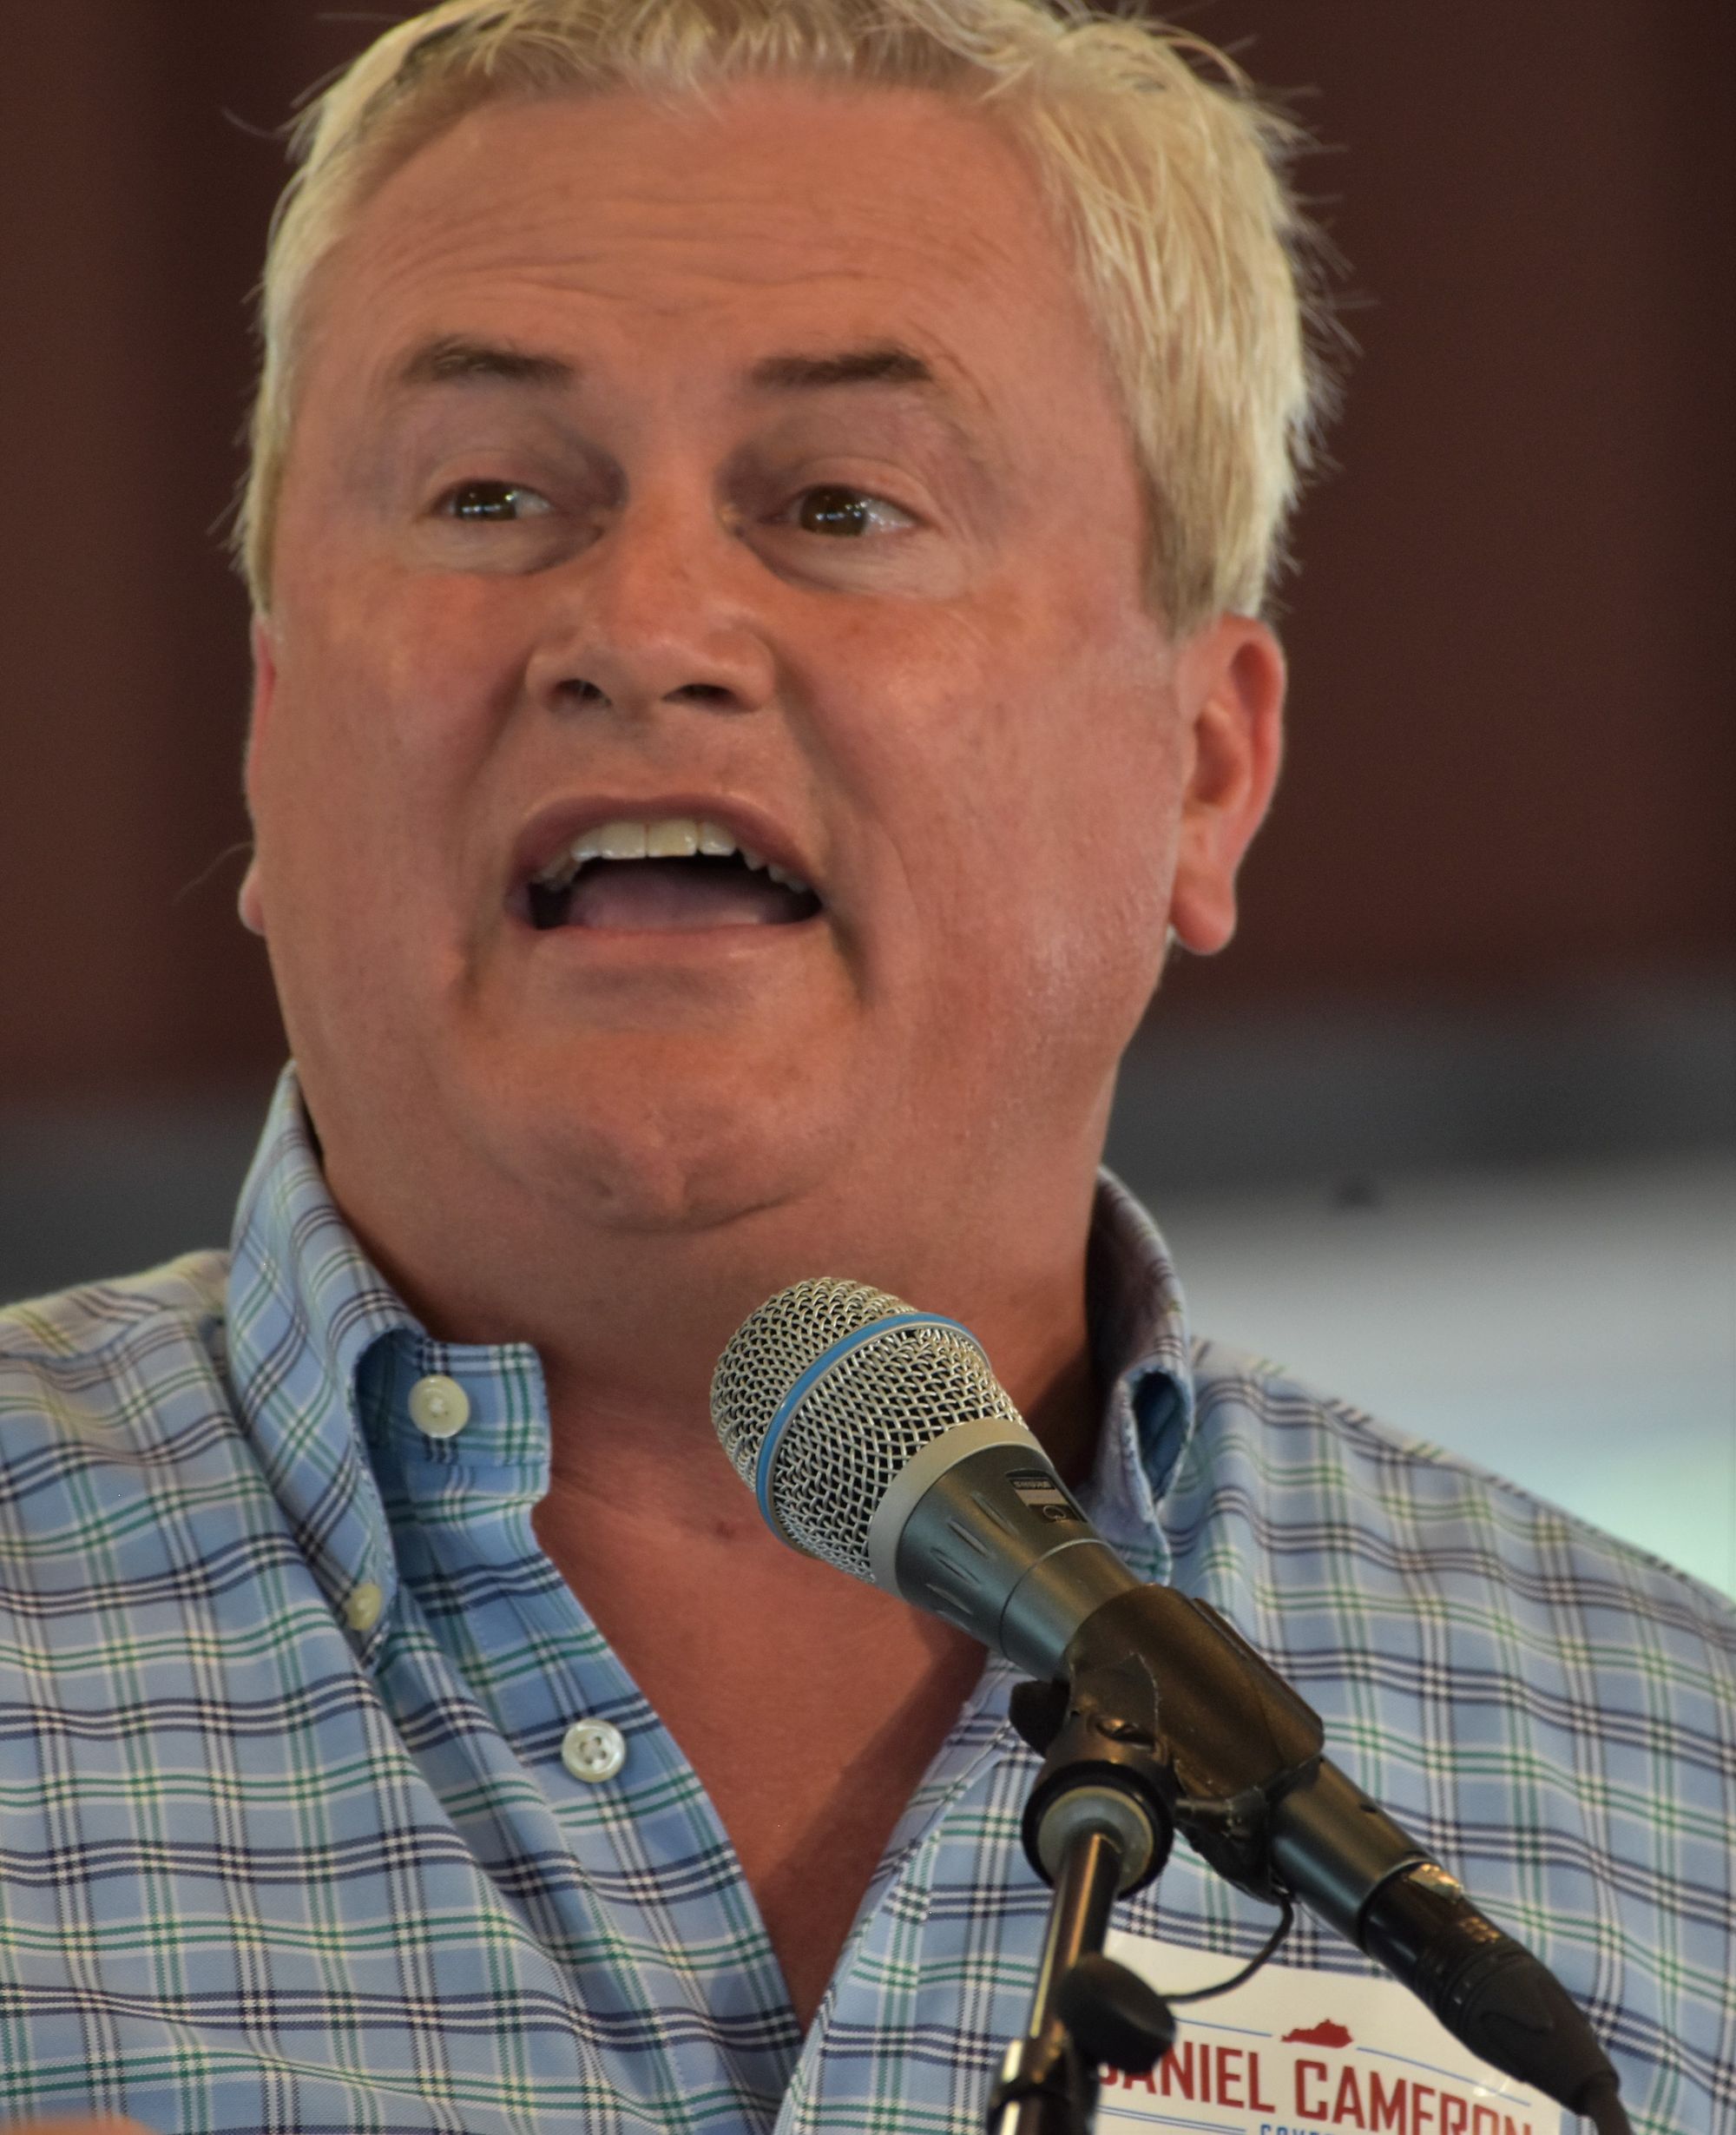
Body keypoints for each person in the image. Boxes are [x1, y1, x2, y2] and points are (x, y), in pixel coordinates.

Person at [0, 2, 1729, 2130]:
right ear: (271, 734)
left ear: (1202, 770)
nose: (641, 629)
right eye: (485, 494)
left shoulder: (1688, 1807)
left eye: (839, 502)